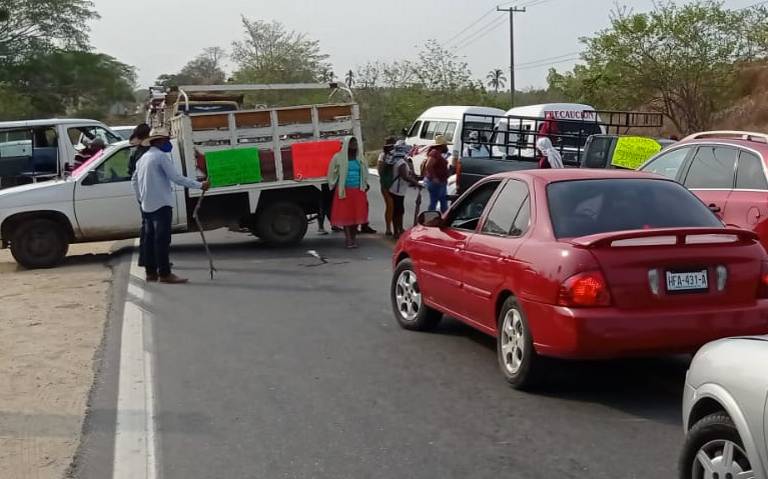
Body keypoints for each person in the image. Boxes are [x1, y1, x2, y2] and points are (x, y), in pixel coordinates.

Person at [132, 127, 210, 283]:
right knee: (162, 241)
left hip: (147, 205)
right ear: (160, 141)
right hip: (161, 204)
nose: (168, 143)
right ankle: (165, 273)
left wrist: (141, 198)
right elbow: (177, 178)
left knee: (150, 240)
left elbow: (134, 181)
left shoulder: (143, 158)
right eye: (167, 140)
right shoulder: (160, 157)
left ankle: (151, 273)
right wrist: (199, 185)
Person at [327, 136, 369, 249]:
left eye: (355, 143)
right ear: (346, 145)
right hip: (344, 191)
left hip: (358, 190)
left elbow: (365, 172)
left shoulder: (360, 158)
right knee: (346, 216)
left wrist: (365, 184)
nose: (354, 145)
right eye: (351, 143)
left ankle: (353, 237)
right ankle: (348, 239)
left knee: (356, 216)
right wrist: (333, 183)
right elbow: (332, 172)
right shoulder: (338, 158)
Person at [127, 123, 152, 267]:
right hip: (147, 195)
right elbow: (135, 176)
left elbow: (131, 174)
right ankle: (149, 260)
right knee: (150, 229)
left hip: (142, 194)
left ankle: (145, 259)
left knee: (146, 228)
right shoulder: (146, 152)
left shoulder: (135, 151)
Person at [388, 141, 420, 238]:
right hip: (398, 190)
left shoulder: (396, 160)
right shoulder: (401, 162)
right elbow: (404, 176)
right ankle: (398, 230)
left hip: (396, 189)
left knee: (396, 211)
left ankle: (397, 230)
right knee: (399, 211)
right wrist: (416, 183)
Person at [423, 134, 450, 213]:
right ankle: (430, 219)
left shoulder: (438, 153)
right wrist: (434, 177)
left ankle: (443, 220)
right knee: (434, 203)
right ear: (441, 146)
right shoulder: (434, 153)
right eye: (445, 145)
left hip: (441, 182)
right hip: (436, 182)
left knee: (443, 203)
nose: (446, 147)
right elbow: (428, 165)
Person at [377, 137, 397, 236]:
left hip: (396, 184)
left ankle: (396, 227)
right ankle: (388, 227)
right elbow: (380, 171)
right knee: (390, 206)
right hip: (386, 183)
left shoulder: (398, 155)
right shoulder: (382, 156)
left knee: (396, 206)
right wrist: (387, 158)